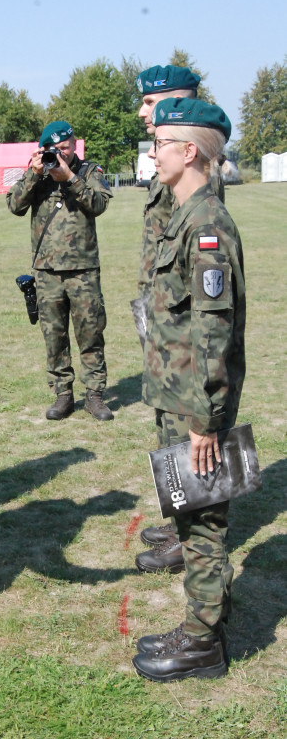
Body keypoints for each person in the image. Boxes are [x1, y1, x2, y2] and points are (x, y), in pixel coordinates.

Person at [132, 97, 246, 682]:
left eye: (161, 145)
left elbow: (214, 329)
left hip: (193, 404)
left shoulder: (205, 224)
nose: (153, 154)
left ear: (190, 151)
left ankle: (203, 641)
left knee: (202, 522)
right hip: (175, 396)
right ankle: (209, 616)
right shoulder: (182, 215)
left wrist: (207, 419)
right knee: (187, 511)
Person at [134, 65, 225, 574]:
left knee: (185, 438)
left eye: (152, 106)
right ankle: (179, 524)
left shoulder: (200, 194)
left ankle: (187, 533)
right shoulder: (169, 167)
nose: (145, 117)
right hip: (165, 325)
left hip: (186, 342)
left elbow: (209, 312)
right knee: (169, 432)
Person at [6, 121, 113, 421]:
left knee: (90, 332)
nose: (61, 154)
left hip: (83, 269)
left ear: (75, 145)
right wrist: (34, 173)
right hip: (47, 271)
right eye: (54, 150)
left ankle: (94, 394)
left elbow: (99, 203)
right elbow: (14, 205)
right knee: (54, 335)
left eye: (65, 147)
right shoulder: (37, 175)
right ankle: (63, 394)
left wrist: (68, 177)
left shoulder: (89, 172)